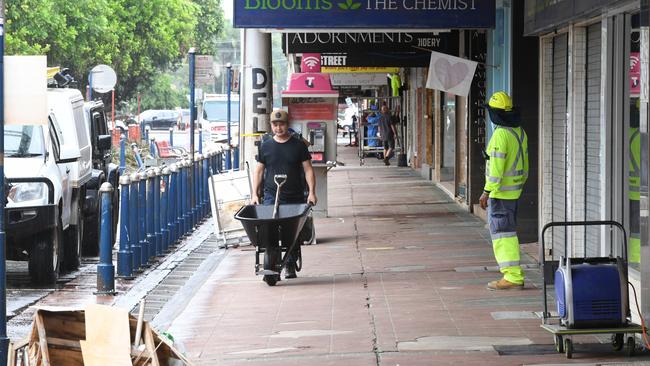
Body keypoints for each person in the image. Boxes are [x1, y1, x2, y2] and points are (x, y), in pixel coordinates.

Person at [252, 108, 317, 279]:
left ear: (287, 125)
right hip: (271, 196)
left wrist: (311, 192)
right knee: (269, 228)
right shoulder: (265, 146)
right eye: (275, 124)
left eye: (281, 124)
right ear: (271, 126)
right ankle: (271, 259)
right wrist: (254, 194)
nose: (278, 128)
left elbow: (308, 170)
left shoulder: (298, 146)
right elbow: (259, 171)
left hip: (294, 196)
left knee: (291, 231)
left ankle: (290, 263)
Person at [479, 91, 529, 291]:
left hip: (500, 194)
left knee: (503, 236)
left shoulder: (500, 134)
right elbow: (525, 167)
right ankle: (512, 274)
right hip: (513, 193)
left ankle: (512, 276)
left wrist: (486, 191)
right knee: (508, 234)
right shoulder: (519, 132)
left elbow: (496, 169)